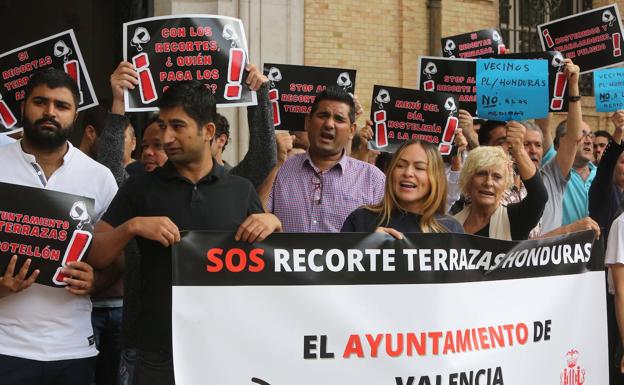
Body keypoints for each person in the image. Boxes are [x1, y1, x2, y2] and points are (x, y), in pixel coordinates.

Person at [88, 80, 281, 385]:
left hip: (226, 349)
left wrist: (273, 223)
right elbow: (96, 253)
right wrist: (133, 226)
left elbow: (269, 263)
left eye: (178, 126)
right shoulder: (140, 188)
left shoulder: (240, 190)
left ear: (209, 131)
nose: (166, 137)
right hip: (157, 353)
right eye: (163, 126)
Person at [0, 68, 118, 385]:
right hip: (5, 347)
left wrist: (98, 280)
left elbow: (118, 256)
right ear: (23, 106)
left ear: (75, 115)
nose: (50, 112)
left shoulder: (99, 177)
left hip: (73, 349)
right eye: (41, 101)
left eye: (61, 105)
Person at [262, 86, 385, 232]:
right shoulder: (280, 169)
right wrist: (274, 164)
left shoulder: (373, 179)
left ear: (352, 130)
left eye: (339, 119)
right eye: (323, 115)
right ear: (308, 122)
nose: (329, 124)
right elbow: (258, 217)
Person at [341, 140, 463, 237]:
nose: (408, 173)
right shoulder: (360, 219)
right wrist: (366, 247)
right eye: (400, 165)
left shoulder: (451, 230)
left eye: (420, 168)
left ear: (436, 178)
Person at [454, 122, 548, 240]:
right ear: (468, 180)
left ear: (505, 185)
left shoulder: (514, 220)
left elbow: (539, 198)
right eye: (481, 174)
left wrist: (518, 151)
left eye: (497, 177)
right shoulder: (450, 226)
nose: (488, 183)